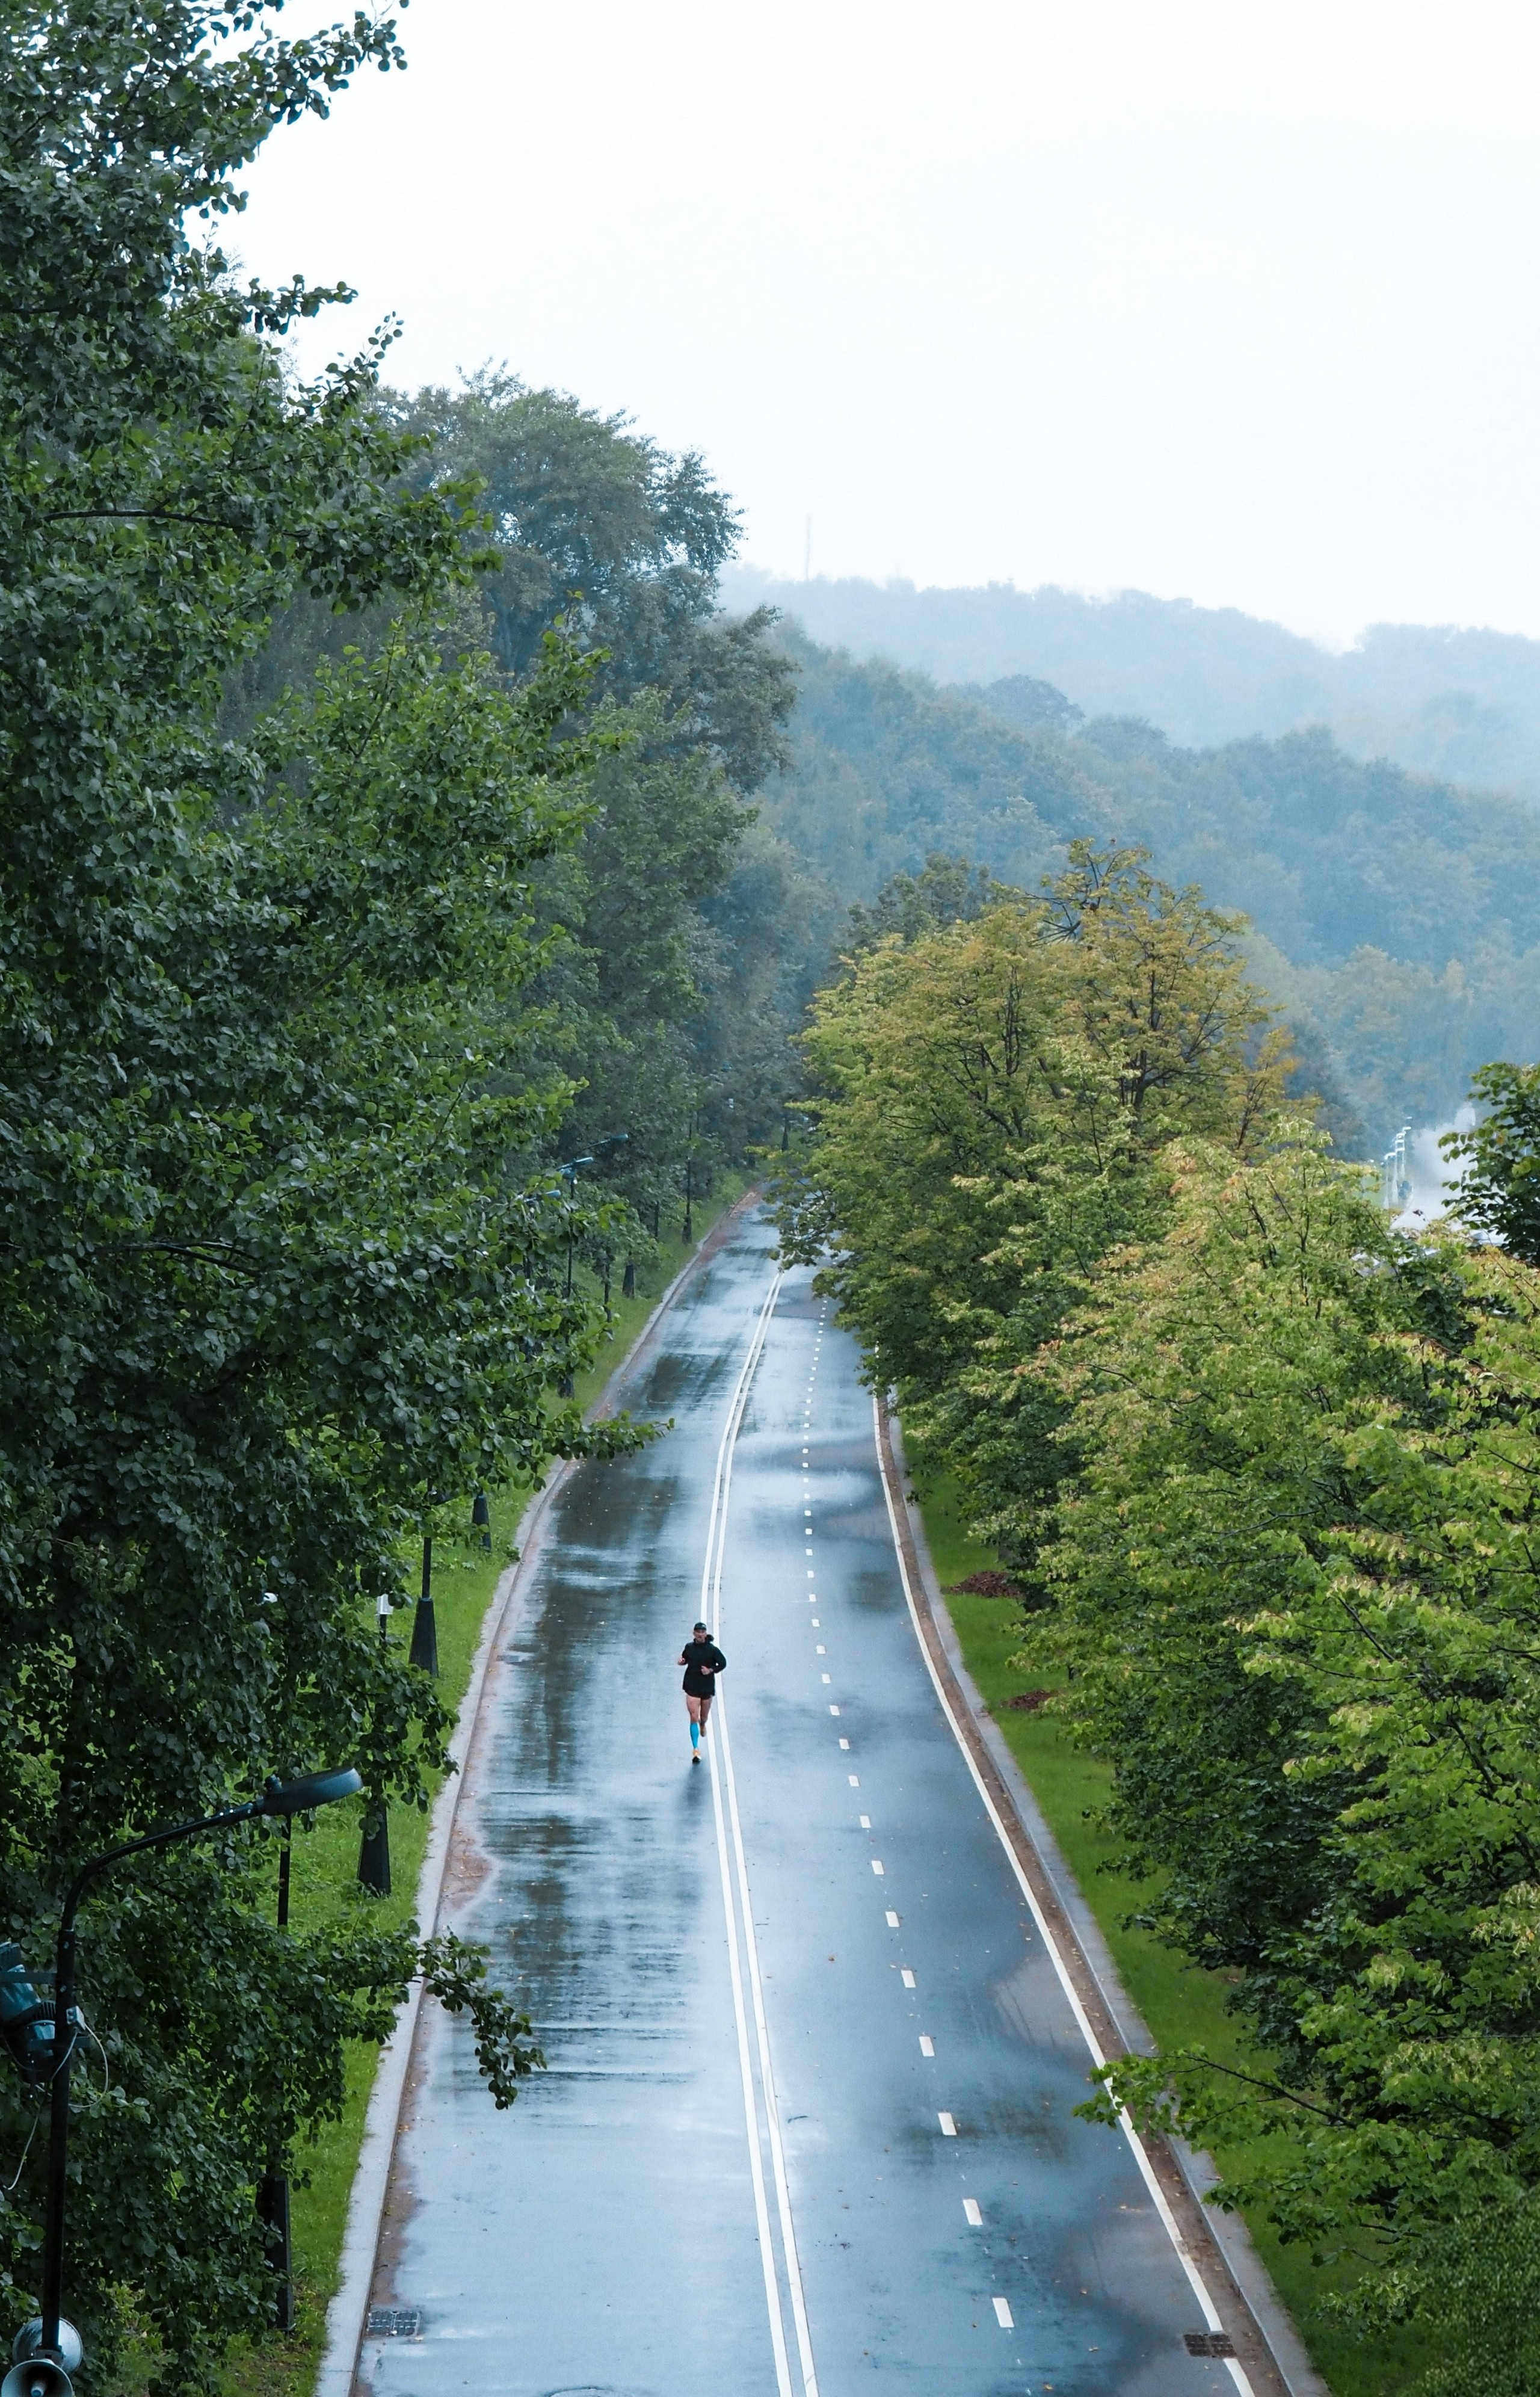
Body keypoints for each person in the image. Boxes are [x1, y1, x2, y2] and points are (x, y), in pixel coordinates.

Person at [679, 1620, 726, 1759]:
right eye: (698, 1632)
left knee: (703, 1717)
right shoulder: (689, 1647)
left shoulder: (712, 1650)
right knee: (694, 1716)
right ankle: (696, 1749)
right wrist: (682, 1662)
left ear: (706, 1634)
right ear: (694, 1633)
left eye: (702, 1632)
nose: (700, 1635)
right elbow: (685, 1658)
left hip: (706, 1686)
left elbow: (723, 1663)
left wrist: (710, 1670)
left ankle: (703, 1724)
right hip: (692, 1685)